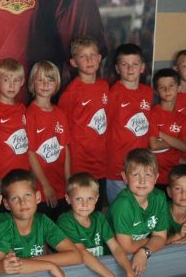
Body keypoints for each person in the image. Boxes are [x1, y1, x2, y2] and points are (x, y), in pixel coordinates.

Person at [1, 169, 78, 277]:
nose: (23, 202)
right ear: (7, 204)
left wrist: (32, 263)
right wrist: (49, 265)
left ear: (37, 197)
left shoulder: (42, 221)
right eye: (15, 199)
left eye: (27, 195)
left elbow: (75, 256)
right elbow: (14, 267)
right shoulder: (3, 225)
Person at [108, 149, 171, 277]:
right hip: (110, 259)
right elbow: (126, 247)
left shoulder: (159, 197)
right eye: (136, 175)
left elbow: (161, 237)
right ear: (125, 177)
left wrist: (144, 252)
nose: (142, 181)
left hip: (138, 255)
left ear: (156, 178)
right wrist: (151, 241)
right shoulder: (123, 205)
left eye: (148, 175)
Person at [57, 174, 124, 277]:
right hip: (78, 276)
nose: (85, 204)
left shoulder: (99, 218)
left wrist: (130, 273)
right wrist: (110, 276)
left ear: (96, 199)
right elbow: (81, 252)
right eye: (79, 199)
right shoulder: (65, 221)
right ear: (68, 199)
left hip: (102, 270)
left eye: (90, 199)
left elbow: (116, 248)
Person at [59, 36, 110, 194]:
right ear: (74, 62)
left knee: (98, 205)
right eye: (83, 56)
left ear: (99, 58)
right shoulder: (70, 93)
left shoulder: (104, 86)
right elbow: (62, 134)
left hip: (101, 162)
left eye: (93, 55)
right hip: (80, 164)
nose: (89, 60)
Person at [105, 43, 150, 202]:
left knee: (139, 211)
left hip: (142, 166)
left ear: (142, 67)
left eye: (135, 64)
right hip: (118, 168)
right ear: (117, 68)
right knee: (120, 211)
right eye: (124, 64)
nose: (130, 69)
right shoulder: (112, 94)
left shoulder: (148, 92)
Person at [25, 60, 71, 216]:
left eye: (50, 80)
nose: (45, 84)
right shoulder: (30, 114)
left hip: (62, 187)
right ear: (32, 83)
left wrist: (68, 180)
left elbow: (65, 148)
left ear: (56, 83)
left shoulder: (61, 113)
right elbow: (30, 153)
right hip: (42, 189)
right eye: (40, 80)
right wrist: (45, 185)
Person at [0, 57, 30, 181]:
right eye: (6, 80)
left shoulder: (23, 109)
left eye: (16, 80)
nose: (12, 85)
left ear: (22, 82)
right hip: (1, 175)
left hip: (23, 173)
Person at [149, 68, 186, 188]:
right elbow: (154, 145)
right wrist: (176, 142)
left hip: (174, 174)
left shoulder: (182, 119)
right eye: (161, 87)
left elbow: (185, 147)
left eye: (171, 86)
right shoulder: (152, 114)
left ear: (179, 88)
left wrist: (161, 134)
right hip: (154, 174)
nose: (167, 90)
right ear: (156, 91)